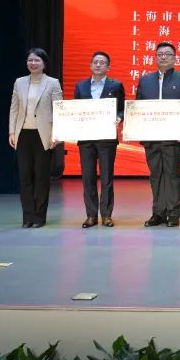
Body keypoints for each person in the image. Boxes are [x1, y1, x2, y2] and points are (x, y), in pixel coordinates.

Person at [136, 41, 180, 228]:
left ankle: (173, 213)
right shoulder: (145, 80)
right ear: (155, 57)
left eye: (168, 54)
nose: (163, 57)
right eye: (160, 54)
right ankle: (158, 213)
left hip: (173, 138)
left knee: (172, 174)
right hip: (151, 138)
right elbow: (137, 108)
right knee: (155, 175)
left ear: (175, 58)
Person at [8, 47, 63, 228]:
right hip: (23, 134)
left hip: (43, 135)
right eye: (30, 60)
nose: (33, 63)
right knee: (25, 177)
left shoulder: (53, 83)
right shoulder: (19, 82)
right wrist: (12, 132)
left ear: (44, 63)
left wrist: (56, 134)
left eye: (37, 60)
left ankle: (39, 216)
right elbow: (14, 108)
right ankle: (28, 216)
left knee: (41, 177)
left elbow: (59, 110)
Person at [73, 51, 126, 228]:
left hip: (106, 139)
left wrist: (119, 117)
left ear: (108, 67)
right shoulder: (80, 86)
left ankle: (107, 215)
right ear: (90, 65)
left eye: (102, 62)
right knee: (88, 178)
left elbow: (122, 109)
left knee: (106, 179)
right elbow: (75, 110)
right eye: (95, 62)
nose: (98, 65)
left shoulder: (116, 85)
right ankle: (91, 215)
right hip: (86, 139)